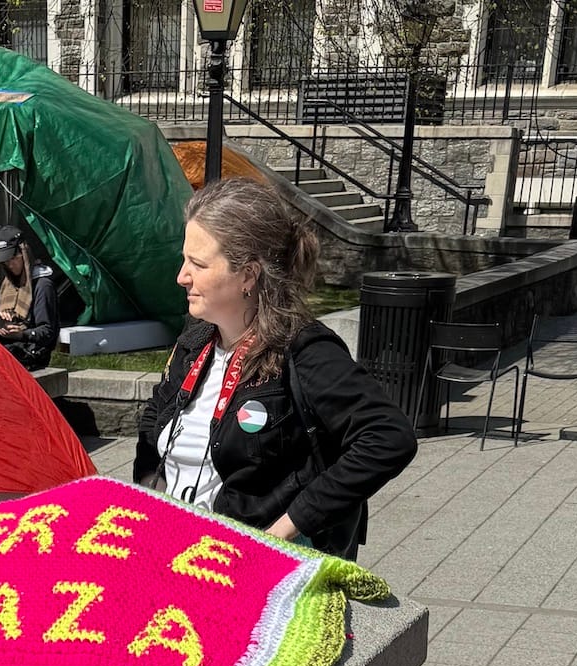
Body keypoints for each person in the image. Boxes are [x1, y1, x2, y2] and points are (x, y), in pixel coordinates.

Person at [134, 178, 417, 560]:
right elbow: (156, 414)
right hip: (180, 552)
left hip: (256, 566)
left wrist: (284, 530)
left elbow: (389, 437)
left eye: (197, 264)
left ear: (248, 275)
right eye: (185, 260)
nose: (181, 276)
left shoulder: (303, 351)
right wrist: (149, 495)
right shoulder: (196, 338)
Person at [0, 237, 58, 371]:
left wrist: (22, 334)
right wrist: (1, 322)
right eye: (6, 261)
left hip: (32, 351)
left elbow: (47, 332)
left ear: (25, 256)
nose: (10, 265)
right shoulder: (7, 285)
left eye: (13, 259)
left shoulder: (42, 286)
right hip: (10, 344)